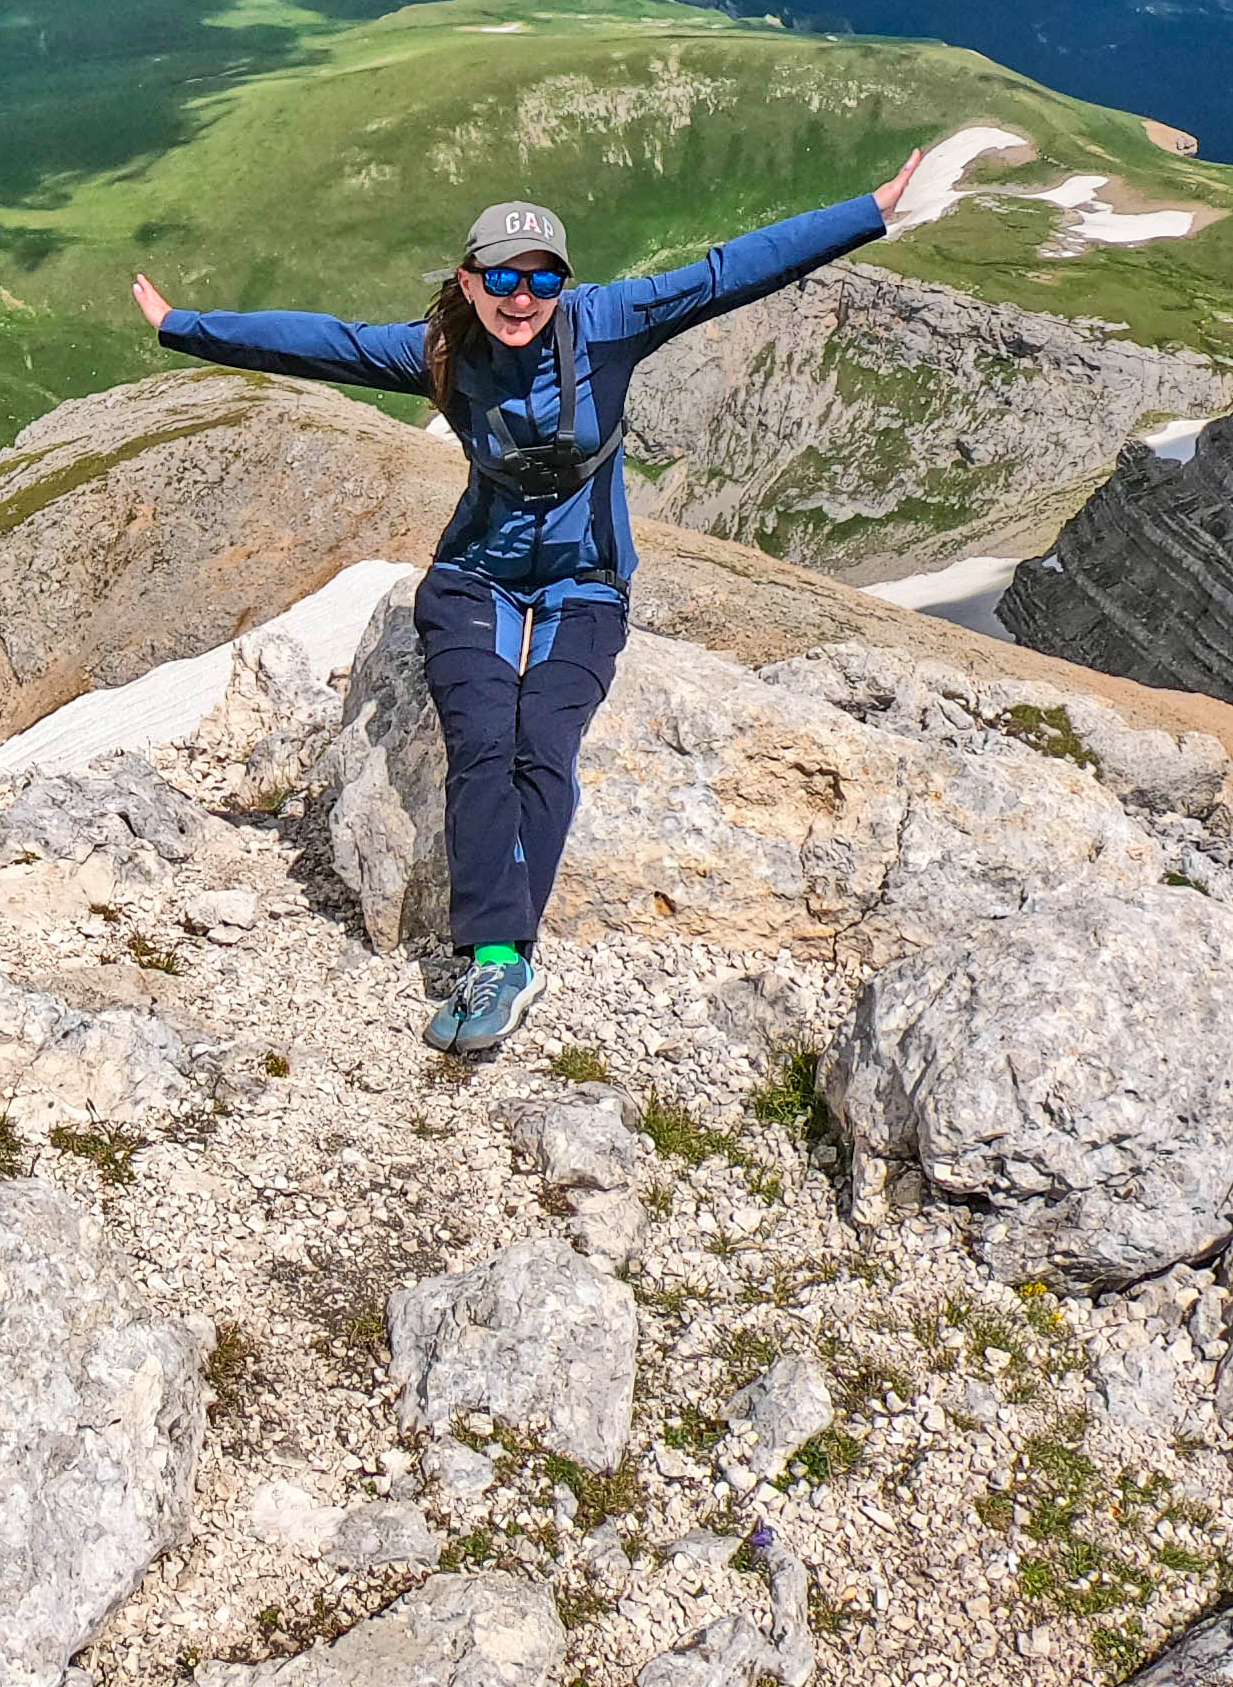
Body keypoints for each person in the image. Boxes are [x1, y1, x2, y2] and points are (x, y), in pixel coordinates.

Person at [132, 151, 930, 1057]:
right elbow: (320, 342)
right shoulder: (439, 350)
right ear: (468, 281)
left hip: (587, 580)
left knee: (544, 738)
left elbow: (729, 271)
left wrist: (869, 209)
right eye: (503, 277)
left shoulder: (608, 323)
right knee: (481, 738)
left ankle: (506, 960)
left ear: (563, 280)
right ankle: (499, 955)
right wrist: (181, 326)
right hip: (474, 574)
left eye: (542, 276)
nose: (522, 296)